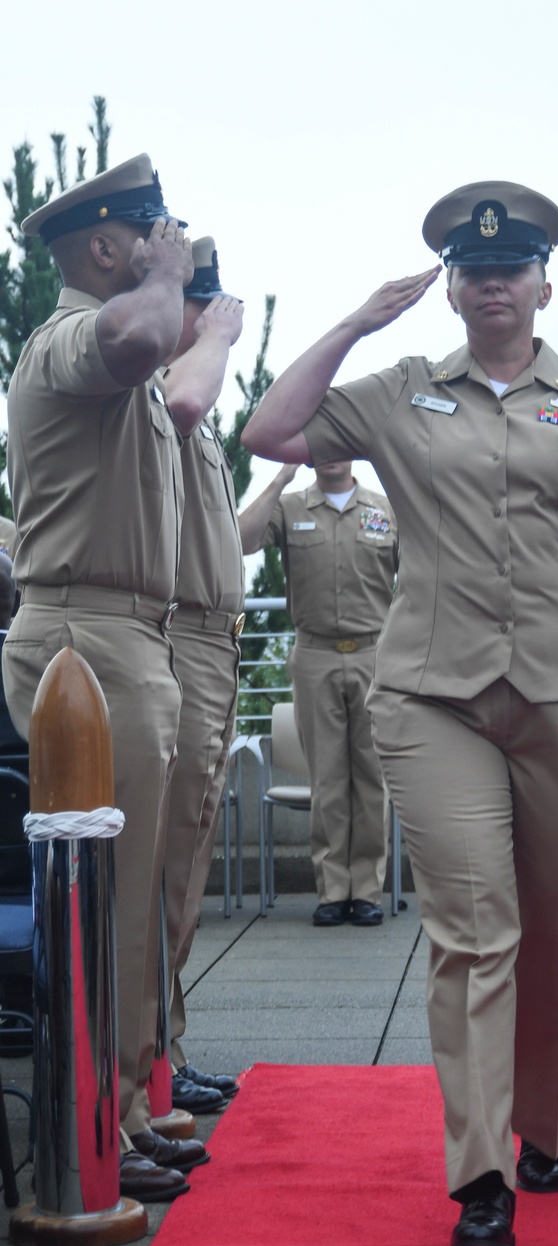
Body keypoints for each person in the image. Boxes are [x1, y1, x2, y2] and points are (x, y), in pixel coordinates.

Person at [243, 180, 558, 1246]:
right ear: (449, 287)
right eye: (472, 269)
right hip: (431, 696)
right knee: (472, 927)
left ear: (544, 283)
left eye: (511, 268)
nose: (492, 282)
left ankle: (544, 1128)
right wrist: (358, 320)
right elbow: (270, 428)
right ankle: (481, 1175)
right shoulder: (399, 392)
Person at [2, 155, 195, 1203]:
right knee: (106, 904)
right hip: (86, 635)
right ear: (108, 246)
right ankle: (94, 1133)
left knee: (128, 899)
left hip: (121, 633)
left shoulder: (115, 347)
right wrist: (166, 283)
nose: (174, 244)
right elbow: (136, 336)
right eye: (156, 233)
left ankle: (117, 1112)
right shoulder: (78, 334)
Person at [157, 238, 245, 1119]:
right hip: (179, 636)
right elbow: (182, 398)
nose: (218, 321)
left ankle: (163, 1047)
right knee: (168, 861)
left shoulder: (200, 399)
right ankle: (150, 1061)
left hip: (211, 641)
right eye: (207, 308)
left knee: (188, 861)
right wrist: (209, 339)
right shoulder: (169, 387)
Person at [238, 459, 397, 927]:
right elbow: (242, 541)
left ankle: (366, 891)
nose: (331, 451)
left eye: (340, 440)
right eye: (319, 442)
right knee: (326, 778)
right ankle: (332, 891)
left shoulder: (385, 510)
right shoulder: (288, 507)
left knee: (371, 778)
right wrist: (282, 475)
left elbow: (426, 574)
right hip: (314, 654)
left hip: (374, 653)